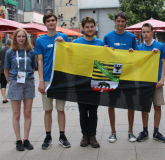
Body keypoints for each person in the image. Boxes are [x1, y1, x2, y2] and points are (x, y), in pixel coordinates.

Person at [34, 13, 71, 149]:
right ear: (45, 23)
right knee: (47, 110)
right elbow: (39, 61)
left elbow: (70, 55)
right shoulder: (40, 40)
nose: (51, 23)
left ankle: (62, 135)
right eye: (48, 21)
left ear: (56, 22)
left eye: (53, 20)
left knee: (60, 109)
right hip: (47, 80)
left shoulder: (63, 37)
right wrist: (41, 81)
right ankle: (48, 136)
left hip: (60, 79)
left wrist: (64, 44)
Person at [103, 11, 138, 143]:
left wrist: (133, 53)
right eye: (118, 21)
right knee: (111, 104)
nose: (120, 23)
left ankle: (130, 132)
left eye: (123, 21)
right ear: (114, 22)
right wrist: (105, 50)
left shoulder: (131, 37)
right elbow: (103, 56)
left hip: (128, 74)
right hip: (112, 74)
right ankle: (113, 132)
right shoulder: (107, 36)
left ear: (126, 22)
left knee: (131, 104)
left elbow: (137, 55)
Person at [73, 16, 104, 148]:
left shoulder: (100, 43)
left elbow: (105, 61)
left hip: (95, 81)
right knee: (82, 110)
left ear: (95, 27)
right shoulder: (75, 43)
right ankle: (84, 135)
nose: (90, 29)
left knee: (93, 111)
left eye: (92, 26)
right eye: (87, 27)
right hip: (80, 81)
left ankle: (93, 136)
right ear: (82, 28)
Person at [4, 28, 36, 151]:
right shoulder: (10, 52)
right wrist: (11, 81)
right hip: (15, 82)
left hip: (28, 82)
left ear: (26, 38)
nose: (21, 38)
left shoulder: (30, 51)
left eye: (23, 36)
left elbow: (33, 68)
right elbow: (6, 69)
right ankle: (18, 140)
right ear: (15, 38)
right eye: (19, 36)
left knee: (27, 113)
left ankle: (26, 139)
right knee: (16, 114)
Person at [135, 23, 165, 143]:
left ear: (152, 32)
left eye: (148, 32)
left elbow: (164, 63)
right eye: (143, 32)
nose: (146, 34)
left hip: (157, 83)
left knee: (157, 106)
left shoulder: (159, 46)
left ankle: (156, 131)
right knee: (144, 108)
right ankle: (144, 131)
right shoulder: (139, 47)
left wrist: (161, 79)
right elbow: (137, 63)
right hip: (144, 83)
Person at [0, 39, 12, 103]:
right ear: (11, 44)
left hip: (3, 70)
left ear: (5, 44)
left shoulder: (1, 50)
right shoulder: (12, 50)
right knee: (12, 83)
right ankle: (12, 96)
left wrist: (0, 63)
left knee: (3, 84)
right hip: (11, 70)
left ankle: (4, 98)